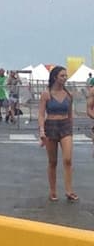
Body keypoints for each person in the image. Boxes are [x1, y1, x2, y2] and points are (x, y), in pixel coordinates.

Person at [38, 65, 77, 202]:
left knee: (67, 159)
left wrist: (71, 129)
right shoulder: (46, 94)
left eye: (66, 76)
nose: (65, 78)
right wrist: (42, 131)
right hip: (51, 126)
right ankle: (53, 191)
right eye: (62, 75)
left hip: (65, 125)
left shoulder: (68, 94)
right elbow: (41, 115)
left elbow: (71, 115)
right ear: (55, 77)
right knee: (53, 161)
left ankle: (69, 190)